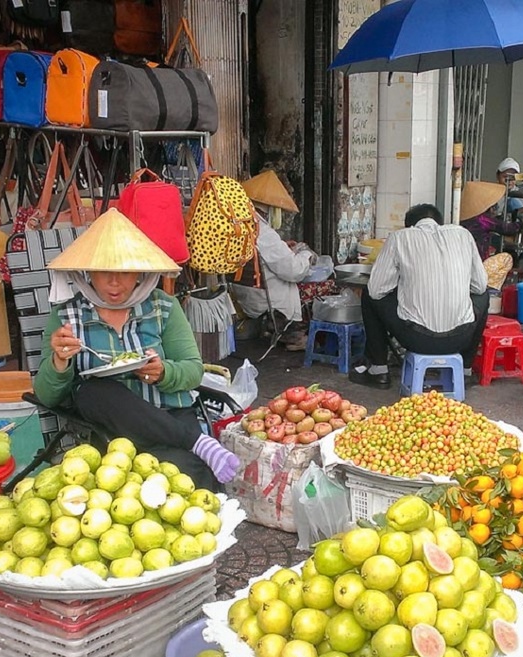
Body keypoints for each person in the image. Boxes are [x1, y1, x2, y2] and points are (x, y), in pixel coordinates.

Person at [33, 209, 241, 489]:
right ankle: (197, 443)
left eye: (125, 271)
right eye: (104, 272)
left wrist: (163, 372)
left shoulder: (163, 306)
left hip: (169, 418)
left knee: (188, 479)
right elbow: (46, 395)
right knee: (92, 391)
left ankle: (193, 450)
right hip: (115, 431)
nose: (114, 283)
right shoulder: (67, 316)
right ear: (87, 272)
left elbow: (193, 370)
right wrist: (59, 361)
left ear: (141, 271)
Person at [350, 203, 489, 389]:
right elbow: (479, 286)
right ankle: (465, 370)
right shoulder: (463, 235)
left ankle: (378, 370)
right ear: (439, 223)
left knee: (369, 294)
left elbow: (377, 290)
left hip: (417, 339)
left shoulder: (400, 238)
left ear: (410, 225)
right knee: (485, 295)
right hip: (460, 337)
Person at [231, 170, 318, 351]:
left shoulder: (236, 224)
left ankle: (277, 328)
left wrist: (283, 246)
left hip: (242, 292)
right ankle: (293, 334)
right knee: (317, 286)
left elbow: (261, 252)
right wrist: (306, 255)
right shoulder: (263, 231)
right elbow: (294, 270)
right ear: (269, 208)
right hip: (265, 298)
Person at [459, 181, 522, 260]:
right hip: (478, 257)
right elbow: (507, 229)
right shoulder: (483, 219)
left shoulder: (464, 217)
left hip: (463, 255)